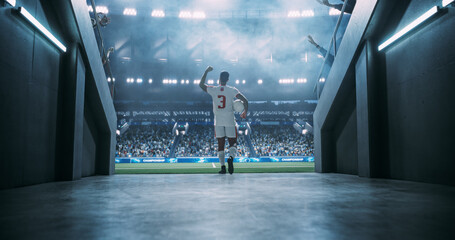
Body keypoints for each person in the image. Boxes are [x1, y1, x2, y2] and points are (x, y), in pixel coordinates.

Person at [199, 66, 248, 174]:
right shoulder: (232, 90)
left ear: (219, 79)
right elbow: (245, 100)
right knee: (233, 143)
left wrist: (206, 71)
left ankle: (222, 168)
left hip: (218, 121)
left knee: (220, 145)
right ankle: (230, 158)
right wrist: (245, 112)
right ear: (228, 80)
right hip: (230, 120)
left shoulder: (214, 89)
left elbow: (201, 85)